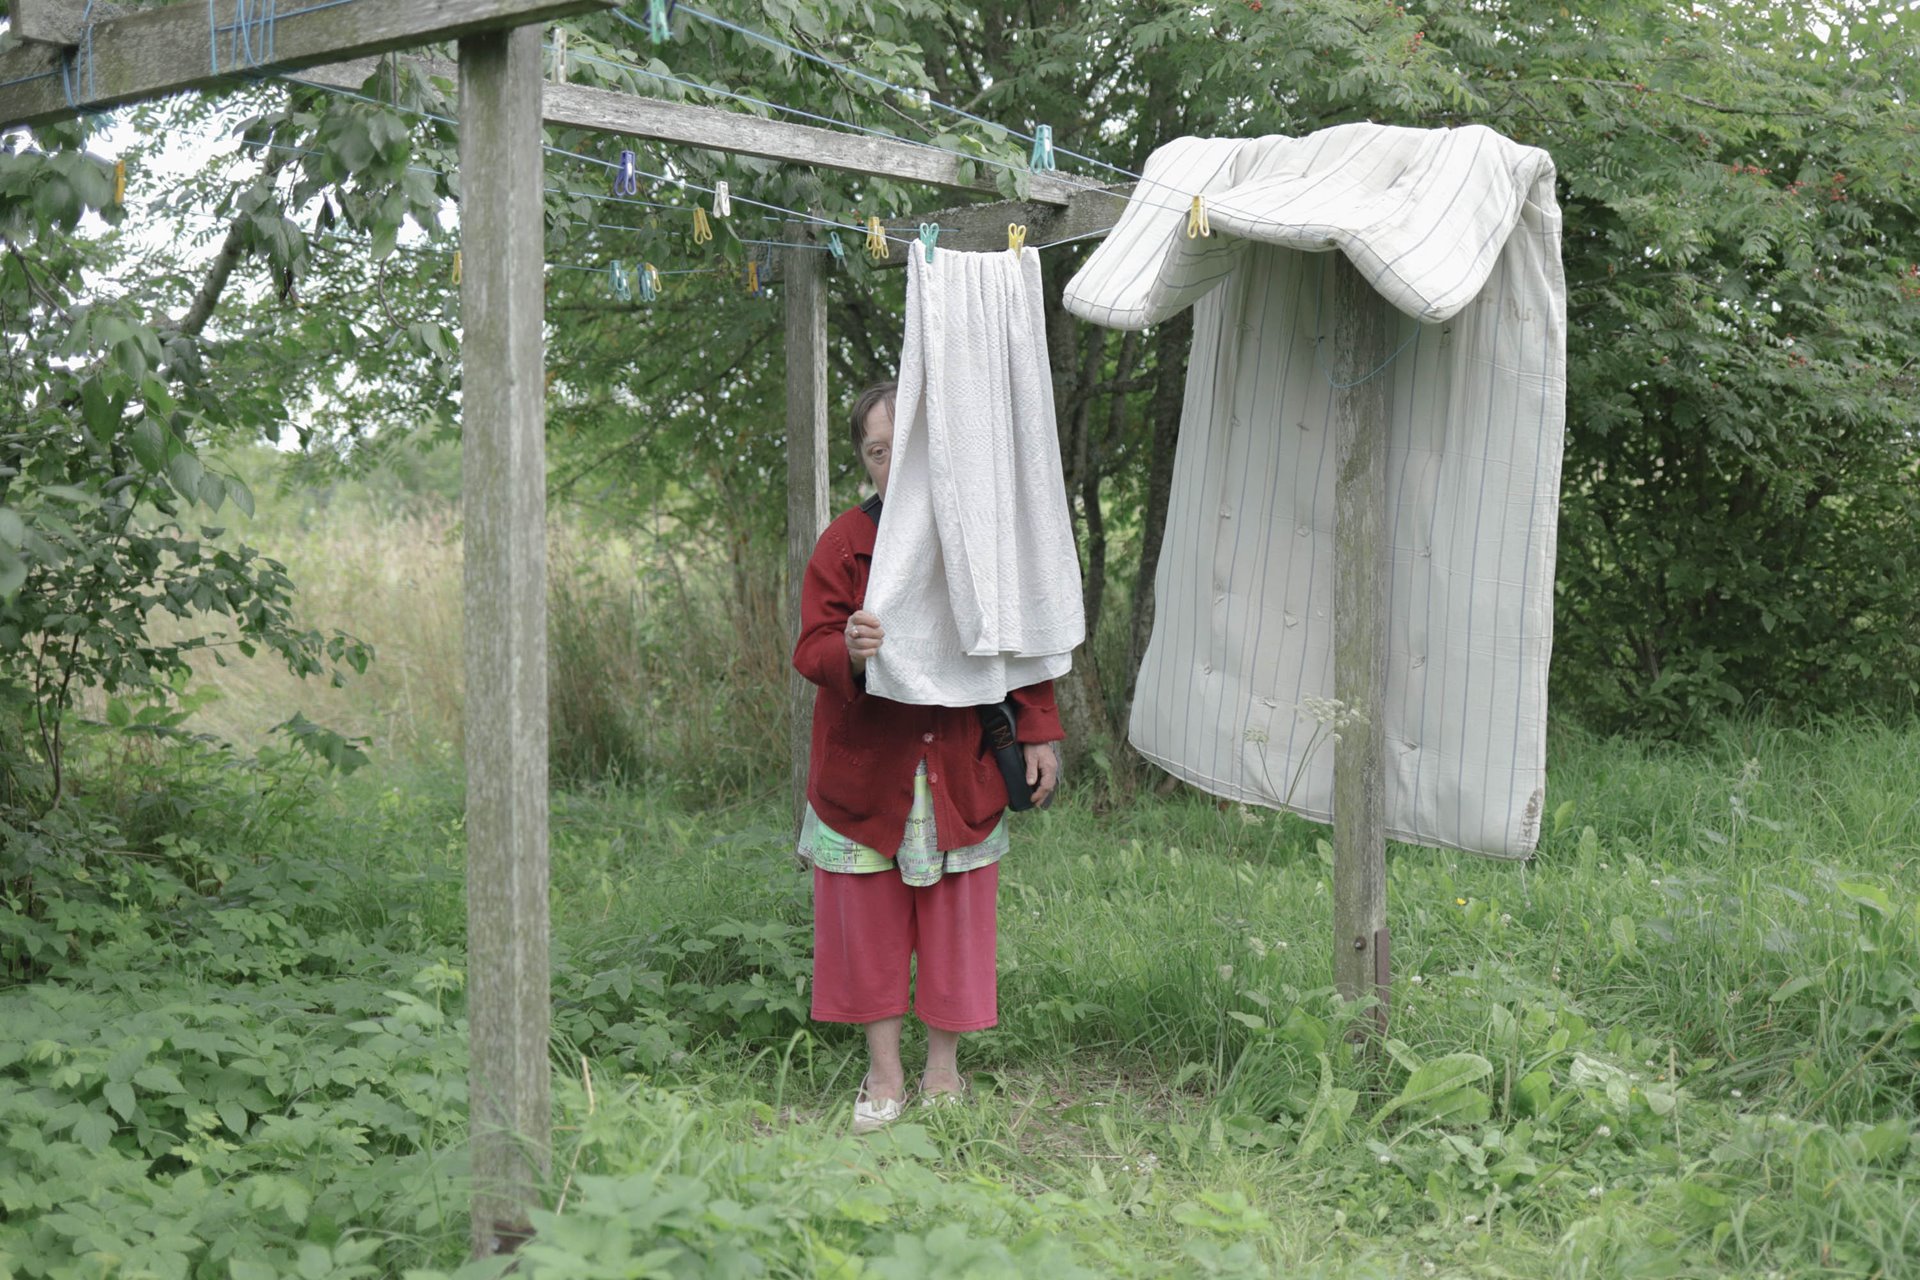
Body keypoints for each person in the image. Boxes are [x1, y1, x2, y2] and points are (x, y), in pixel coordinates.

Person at [793, 380, 1064, 1133]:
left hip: (959, 765)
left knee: (954, 922)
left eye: (903, 451)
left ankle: (944, 1072)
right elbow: (810, 646)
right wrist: (847, 647)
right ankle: (884, 1075)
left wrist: (1037, 724)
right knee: (868, 924)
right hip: (865, 773)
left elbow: (1022, 639)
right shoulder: (845, 543)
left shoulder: (978, 540)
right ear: (865, 462)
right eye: (877, 453)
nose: (891, 466)